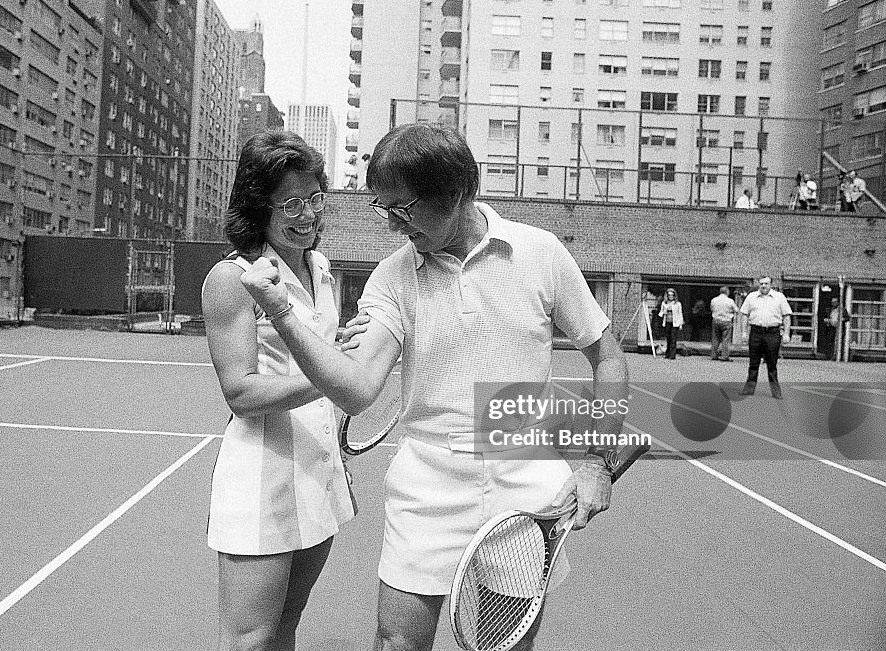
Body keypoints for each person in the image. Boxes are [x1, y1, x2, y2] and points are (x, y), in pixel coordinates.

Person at [240, 123, 629, 651]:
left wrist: (595, 462)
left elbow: (605, 355)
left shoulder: (541, 252)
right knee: (395, 642)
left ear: (459, 193)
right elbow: (356, 390)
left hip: (523, 483)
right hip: (427, 482)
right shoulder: (392, 276)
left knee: (504, 645)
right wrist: (283, 312)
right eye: (385, 208)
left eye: (406, 208)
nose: (395, 225)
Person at [201, 131, 355, 650]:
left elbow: (316, 345)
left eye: (314, 199)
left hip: (318, 468)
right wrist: (332, 375)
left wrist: (341, 346)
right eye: (291, 203)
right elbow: (240, 393)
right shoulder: (233, 278)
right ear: (256, 206)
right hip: (260, 476)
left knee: (288, 624)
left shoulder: (320, 268)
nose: (308, 214)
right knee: (250, 638)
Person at [739, 276, 793, 399]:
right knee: (753, 363)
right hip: (756, 332)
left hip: (772, 333)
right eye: (762, 283)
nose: (764, 286)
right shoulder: (751, 297)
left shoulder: (779, 297)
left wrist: (786, 334)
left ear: (771, 284)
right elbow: (744, 315)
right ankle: (749, 389)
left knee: (772, 364)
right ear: (758, 284)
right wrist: (743, 332)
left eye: (766, 283)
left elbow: (786, 316)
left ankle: (776, 392)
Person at [710, 286, 738, 361]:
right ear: (727, 292)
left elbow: (711, 308)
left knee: (715, 338)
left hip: (716, 320)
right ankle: (724, 356)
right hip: (726, 321)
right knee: (726, 339)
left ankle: (714, 355)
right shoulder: (730, 301)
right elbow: (736, 310)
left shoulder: (714, 300)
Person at [658, 289, 684, 360]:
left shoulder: (678, 304)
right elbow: (661, 313)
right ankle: (667, 354)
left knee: (673, 339)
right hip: (667, 322)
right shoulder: (664, 303)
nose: (671, 296)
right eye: (669, 295)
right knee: (668, 339)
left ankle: (672, 355)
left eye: (672, 295)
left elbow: (680, 314)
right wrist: (664, 311)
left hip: (674, 323)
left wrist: (680, 324)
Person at [823, 296, 850, 361]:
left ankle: (839, 356)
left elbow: (847, 318)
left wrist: (842, 319)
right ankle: (830, 356)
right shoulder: (829, 309)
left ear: (837, 302)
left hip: (839, 328)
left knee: (839, 341)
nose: (833, 303)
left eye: (834, 302)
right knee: (830, 341)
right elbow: (826, 316)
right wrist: (827, 320)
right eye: (832, 302)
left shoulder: (842, 309)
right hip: (831, 327)